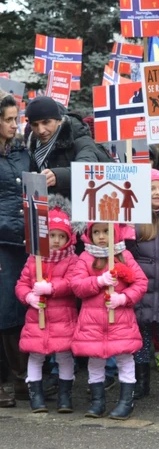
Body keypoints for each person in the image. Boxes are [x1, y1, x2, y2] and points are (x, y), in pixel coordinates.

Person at [71, 223, 148, 420]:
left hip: (121, 321)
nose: (101, 236)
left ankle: (126, 401)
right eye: (96, 232)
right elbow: (77, 286)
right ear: (89, 235)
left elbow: (141, 282)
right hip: (92, 323)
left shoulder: (124, 255)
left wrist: (124, 298)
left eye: (106, 231)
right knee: (95, 360)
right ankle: (97, 401)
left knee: (124, 358)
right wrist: (98, 281)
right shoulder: (85, 257)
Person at [14, 195, 78, 413]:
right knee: (36, 355)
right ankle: (36, 395)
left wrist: (51, 288)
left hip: (63, 319)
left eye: (62, 236)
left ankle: (64, 396)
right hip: (37, 319)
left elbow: (72, 283)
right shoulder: (34, 260)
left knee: (64, 356)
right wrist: (28, 297)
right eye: (52, 235)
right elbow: (22, 284)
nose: (57, 240)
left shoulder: (71, 260)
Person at [126, 170, 159, 400]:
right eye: (151, 188)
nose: (157, 192)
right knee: (142, 337)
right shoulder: (135, 217)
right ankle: (142, 383)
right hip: (143, 288)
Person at [0, 90, 31, 408]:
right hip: (0, 245)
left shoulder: (22, 152)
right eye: (8, 120)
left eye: (16, 119)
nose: (14, 125)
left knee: (20, 310)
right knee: (3, 312)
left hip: (24, 242)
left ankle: (22, 379)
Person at [25, 96, 98, 199]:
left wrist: (57, 175)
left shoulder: (79, 136)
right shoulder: (32, 146)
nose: (41, 130)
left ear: (59, 120)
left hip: (78, 207)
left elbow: (88, 166)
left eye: (46, 122)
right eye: (35, 124)